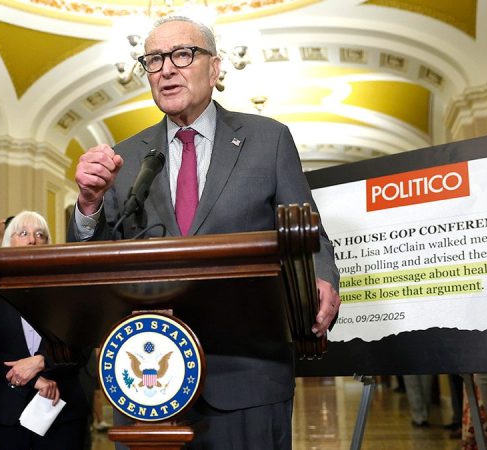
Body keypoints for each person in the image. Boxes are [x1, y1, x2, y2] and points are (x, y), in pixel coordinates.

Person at [67, 15, 340, 448]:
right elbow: (96, 259)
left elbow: (310, 234)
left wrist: (320, 278)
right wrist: (88, 204)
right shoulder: (124, 158)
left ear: (214, 69)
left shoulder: (267, 140)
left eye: (182, 54)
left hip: (248, 372)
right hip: (149, 381)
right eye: (154, 59)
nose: (166, 69)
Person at [0, 211, 89, 449]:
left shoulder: (66, 288)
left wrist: (43, 361)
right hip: (4, 414)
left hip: (61, 414)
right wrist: (32, 379)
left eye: (40, 234)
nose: (32, 240)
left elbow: (81, 345)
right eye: (23, 233)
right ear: (8, 242)